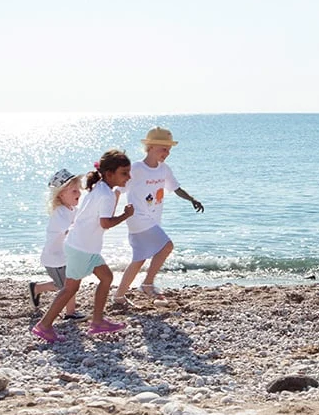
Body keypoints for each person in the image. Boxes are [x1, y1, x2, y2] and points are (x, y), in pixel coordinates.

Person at [31, 150, 134, 343]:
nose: (129, 176)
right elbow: (105, 223)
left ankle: (97, 322)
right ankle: (44, 326)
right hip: (82, 248)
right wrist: (125, 215)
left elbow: (98, 216)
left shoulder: (100, 188)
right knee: (69, 289)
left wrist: (117, 199)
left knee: (106, 277)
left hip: (86, 247)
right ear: (110, 174)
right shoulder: (105, 193)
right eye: (124, 173)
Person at [113, 127, 203, 307]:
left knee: (139, 260)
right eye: (164, 148)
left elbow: (175, 188)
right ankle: (147, 284)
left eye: (169, 149)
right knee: (167, 246)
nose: (167, 153)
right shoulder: (136, 168)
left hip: (153, 219)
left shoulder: (164, 169)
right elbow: (118, 189)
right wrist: (111, 214)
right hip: (138, 217)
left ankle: (119, 296)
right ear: (151, 147)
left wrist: (191, 199)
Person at [27, 169, 86, 321]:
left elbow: (82, 220)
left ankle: (37, 288)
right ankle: (70, 313)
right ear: (61, 195)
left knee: (67, 284)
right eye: (73, 191)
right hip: (55, 258)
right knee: (67, 286)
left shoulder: (73, 209)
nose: (78, 193)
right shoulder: (60, 212)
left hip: (65, 256)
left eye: (78, 189)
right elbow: (68, 230)